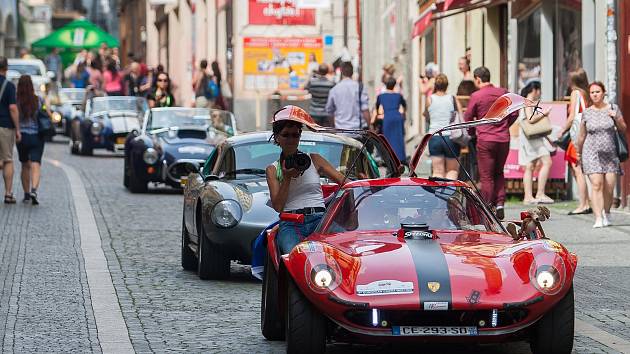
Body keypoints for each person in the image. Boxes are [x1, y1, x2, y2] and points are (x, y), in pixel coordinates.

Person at [266, 106, 345, 254]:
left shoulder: (314, 159)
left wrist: (365, 181)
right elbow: (278, 206)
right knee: (294, 256)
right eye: (286, 135)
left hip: (320, 220)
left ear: (300, 136)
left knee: (342, 250)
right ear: (277, 137)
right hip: (291, 222)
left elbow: (344, 182)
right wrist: (287, 177)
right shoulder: (272, 169)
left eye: (295, 135)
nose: (291, 139)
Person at [464, 66, 517, 220]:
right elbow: (515, 112)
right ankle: (500, 203)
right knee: (499, 172)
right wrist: (505, 125)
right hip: (503, 139)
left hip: (486, 139)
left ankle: (487, 207)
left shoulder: (476, 95)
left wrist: (473, 133)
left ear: (478, 79)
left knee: (486, 176)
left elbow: (468, 117)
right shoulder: (503, 92)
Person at [576, 82, 626, 228]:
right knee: (597, 184)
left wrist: (616, 117)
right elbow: (581, 135)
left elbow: (623, 128)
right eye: (592, 92)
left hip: (610, 153)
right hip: (591, 152)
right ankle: (598, 217)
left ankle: (607, 212)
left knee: (609, 187)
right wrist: (578, 152)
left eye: (597, 91)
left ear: (603, 93)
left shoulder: (613, 108)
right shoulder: (587, 112)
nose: (595, 95)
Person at [518, 81, 554, 205]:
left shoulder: (525, 101)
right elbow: (530, 118)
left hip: (529, 138)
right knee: (547, 162)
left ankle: (528, 196)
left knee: (529, 166)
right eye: (539, 91)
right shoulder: (529, 102)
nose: (540, 93)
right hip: (532, 139)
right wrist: (545, 113)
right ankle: (539, 193)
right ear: (535, 90)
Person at [561, 68, 591, 215]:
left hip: (576, 136)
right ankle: (586, 202)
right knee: (581, 169)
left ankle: (583, 204)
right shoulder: (587, 93)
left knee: (577, 169)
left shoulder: (575, 93)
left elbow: (573, 116)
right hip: (585, 134)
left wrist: (562, 130)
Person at [15, 75, 45, 205]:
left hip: (22, 136)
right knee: (35, 163)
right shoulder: (38, 100)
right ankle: (34, 190)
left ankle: (26, 194)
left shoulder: (17, 101)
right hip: (36, 136)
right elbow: (45, 114)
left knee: (24, 165)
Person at [426, 74, 462, 180]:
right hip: (450, 137)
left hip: (434, 137)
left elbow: (427, 116)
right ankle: (450, 196)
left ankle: (438, 196)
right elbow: (460, 116)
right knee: (452, 170)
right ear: (447, 85)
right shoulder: (452, 98)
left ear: (435, 85)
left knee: (437, 171)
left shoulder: (430, 99)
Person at [325, 61, 370, 129]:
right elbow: (365, 110)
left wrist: (333, 126)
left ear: (341, 72)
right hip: (358, 131)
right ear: (352, 72)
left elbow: (329, 111)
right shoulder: (360, 87)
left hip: (341, 131)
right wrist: (370, 126)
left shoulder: (334, 89)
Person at [0, 56, 20, 204]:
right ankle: (8, 193)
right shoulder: (9, 86)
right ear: (6, 68)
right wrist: (18, 128)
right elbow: (13, 108)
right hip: (5, 126)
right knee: (7, 160)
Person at [374, 77, 407, 163]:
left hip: (387, 117)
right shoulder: (398, 95)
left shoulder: (381, 96)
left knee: (388, 139)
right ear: (394, 85)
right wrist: (403, 114)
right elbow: (404, 105)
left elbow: (377, 106)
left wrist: (378, 114)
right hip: (397, 117)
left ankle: (389, 158)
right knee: (398, 138)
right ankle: (400, 158)